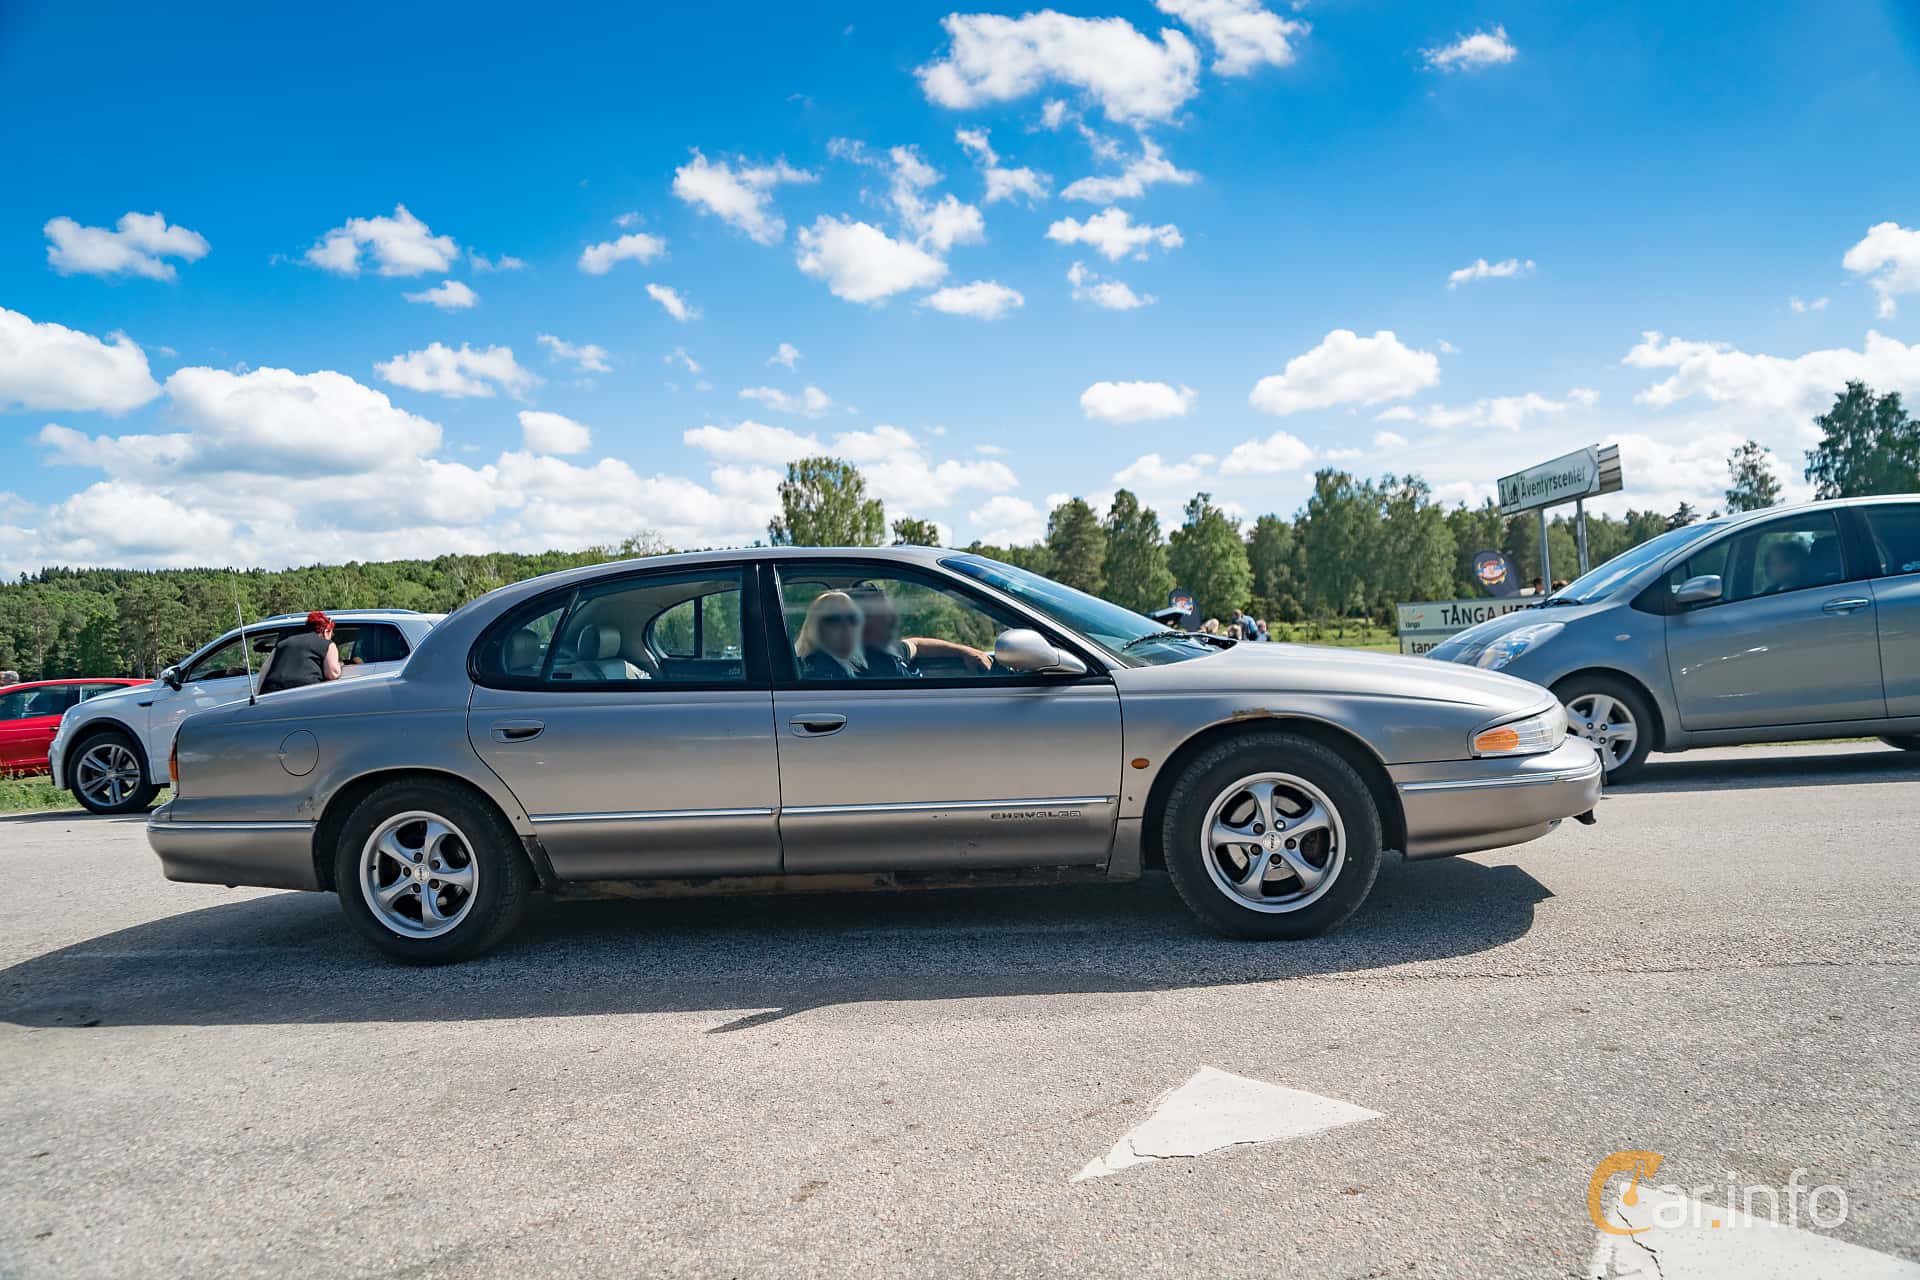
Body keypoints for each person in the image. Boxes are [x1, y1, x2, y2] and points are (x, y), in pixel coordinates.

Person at [845, 583, 990, 677]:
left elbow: (917, 645)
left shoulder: (886, 649)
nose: (890, 617)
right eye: (880, 613)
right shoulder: (867, 664)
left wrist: (964, 652)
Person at [257, 611, 344, 694]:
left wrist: (258, 695)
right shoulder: (328, 644)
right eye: (331, 635)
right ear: (326, 631)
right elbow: (333, 674)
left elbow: (264, 671)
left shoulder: (282, 643)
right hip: (304, 693)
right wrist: (339, 665)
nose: (331, 638)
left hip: (271, 693)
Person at [793, 592, 866, 679]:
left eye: (853, 618)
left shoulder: (855, 665)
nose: (847, 627)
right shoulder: (818, 673)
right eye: (835, 619)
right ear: (816, 627)